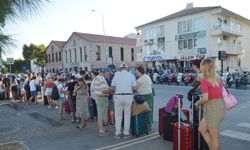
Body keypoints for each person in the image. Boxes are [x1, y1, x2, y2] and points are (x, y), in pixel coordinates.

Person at [195, 58, 226, 150]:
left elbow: (205, 98)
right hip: (216, 106)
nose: (200, 66)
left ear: (204, 66)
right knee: (202, 129)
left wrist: (197, 102)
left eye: (201, 64)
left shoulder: (205, 80)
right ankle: (212, 147)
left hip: (213, 108)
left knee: (214, 136)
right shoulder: (217, 77)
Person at [111, 63, 137, 139]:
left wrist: (114, 94)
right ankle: (126, 133)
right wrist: (133, 93)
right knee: (127, 115)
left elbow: (112, 88)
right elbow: (135, 88)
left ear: (120, 68)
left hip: (118, 96)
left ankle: (117, 133)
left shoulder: (116, 75)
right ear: (127, 68)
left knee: (118, 116)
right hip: (128, 96)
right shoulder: (131, 76)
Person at [94, 67, 112, 136]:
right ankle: (101, 130)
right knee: (101, 114)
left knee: (101, 113)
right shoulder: (101, 79)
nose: (109, 75)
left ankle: (102, 128)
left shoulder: (99, 77)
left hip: (100, 97)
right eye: (109, 73)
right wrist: (111, 89)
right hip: (102, 97)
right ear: (106, 72)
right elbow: (103, 91)